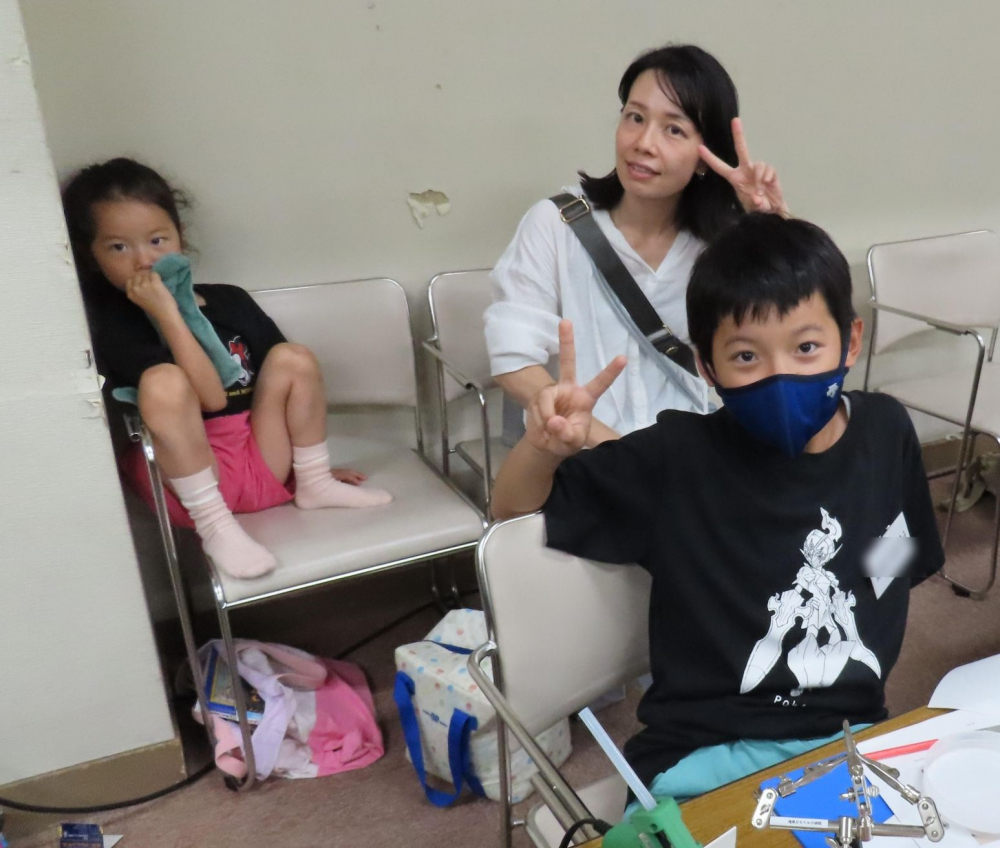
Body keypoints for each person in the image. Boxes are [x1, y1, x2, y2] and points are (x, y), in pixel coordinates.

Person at [490, 213, 944, 804]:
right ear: (707, 367)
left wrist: (842, 594)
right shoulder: (675, 459)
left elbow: (898, 557)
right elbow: (512, 511)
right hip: (704, 752)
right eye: (746, 357)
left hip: (849, 736)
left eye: (807, 347)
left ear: (850, 342)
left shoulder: (886, 430)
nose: (781, 376)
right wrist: (542, 448)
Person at [63, 158, 391, 580]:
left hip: (258, 454)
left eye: (157, 240)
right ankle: (217, 528)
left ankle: (315, 486)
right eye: (118, 248)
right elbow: (211, 398)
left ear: (180, 237)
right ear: (92, 256)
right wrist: (168, 315)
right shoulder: (113, 325)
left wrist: (309, 467)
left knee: (293, 357)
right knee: (164, 380)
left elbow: (291, 391)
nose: (144, 260)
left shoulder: (229, 300)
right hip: (191, 479)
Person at [485, 43, 788, 441]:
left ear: (704, 156)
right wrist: (609, 449)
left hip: (689, 451)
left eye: (673, 129)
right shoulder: (555, 223)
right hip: (579, 453)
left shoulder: (722, 245)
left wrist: (771, 227)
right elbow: (513, 359)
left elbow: (787, 338)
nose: (643, 142)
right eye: (635, 117)